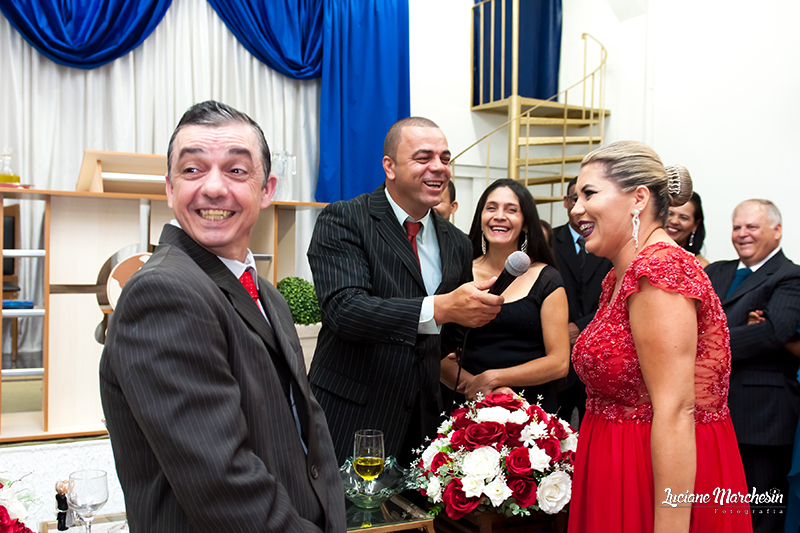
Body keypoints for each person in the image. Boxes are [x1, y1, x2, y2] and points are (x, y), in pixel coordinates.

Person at [99, 101, 346, 533]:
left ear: (267, 188)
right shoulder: (164, 293)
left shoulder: (267, 293)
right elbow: (222, 485)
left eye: (235, 170)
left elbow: (304, 424)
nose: (213, 188)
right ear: (170, 188)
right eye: (193, 170)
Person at [568, 141, 751, 533]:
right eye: (575, 196)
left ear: (638, 198)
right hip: (613, 464)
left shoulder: (661, 271)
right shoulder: (619, 275)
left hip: (652, 477)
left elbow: (676, 410)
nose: (575, 209)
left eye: (589, 193)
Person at [307, 117, 503, 466]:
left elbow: (445, 336)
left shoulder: (456, 243)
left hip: (423, 419)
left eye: (445, 158)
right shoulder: (344, 220)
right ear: (390, 166)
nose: (438, 168)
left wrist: (472, 315)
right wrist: (440, 309)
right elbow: (345, 310)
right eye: (423, 157)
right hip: (352, 413)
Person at [705, 199, 800, 533]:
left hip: (762, 419)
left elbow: (777, 332)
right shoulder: (716, 271)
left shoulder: (791, 276)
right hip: (709, 413)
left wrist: (705, 343)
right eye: (737, 226)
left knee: (761, 512)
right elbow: (686, 322)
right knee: (716, 510)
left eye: (752, 226)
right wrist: (746, 330)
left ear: (777, 231)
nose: (742, 234)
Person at [439, 179, 569, 412]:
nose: (499, 216)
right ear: (480, 217)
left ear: (526, 223)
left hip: (530, 410)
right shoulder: (457, 271)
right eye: (491, 208)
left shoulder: (547, 278)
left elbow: (559, 362)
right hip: (468, 403)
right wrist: (484, 390)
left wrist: (493, 379)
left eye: (511, 210)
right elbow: (436, 354)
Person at [552, 177, 612, 427]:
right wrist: (559, 329)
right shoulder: (548, 240)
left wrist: (579, 326)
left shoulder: (610, 243)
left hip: (599, 353)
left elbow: (615, 296)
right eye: (574, 197)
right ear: (566, 202)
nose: (579, 204)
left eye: (587, 197)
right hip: (557, 351)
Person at [667, 191, 709, 267]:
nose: (674, 221)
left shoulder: (701, 266)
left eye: (684, 218)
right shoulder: (643, 253)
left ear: (695, 225)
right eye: (670, 214)